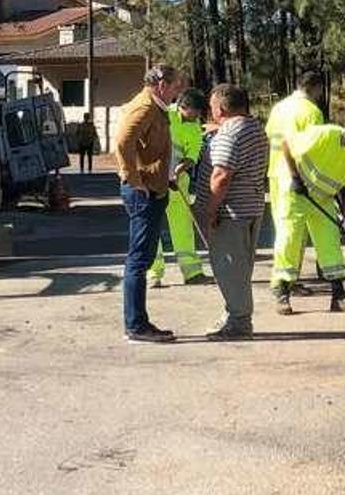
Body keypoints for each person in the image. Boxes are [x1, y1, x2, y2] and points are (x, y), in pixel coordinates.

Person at [271, 118, 345, 315]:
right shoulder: (325, 134)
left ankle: (338, 297)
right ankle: (282, 293)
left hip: (322, 197)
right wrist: (296, 178)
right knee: (289, 239)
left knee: (330, 241)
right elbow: (287, 144)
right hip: (295, 192)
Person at [115, 63, 185, 343]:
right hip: (143, 194)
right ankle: (136, 325)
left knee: (140, 258)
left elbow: (151, 148)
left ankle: (139, 323)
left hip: (154, 189)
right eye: (176, 86)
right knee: (139, 260)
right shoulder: (145, 107)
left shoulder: (156, 108)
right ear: (161, 85)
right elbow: (122, 142)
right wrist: (134, 179)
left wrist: (164, 176)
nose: (178, 91)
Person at [196, 84, 269, 340]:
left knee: (230, 268)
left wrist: (210, 210)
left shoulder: (230, 132)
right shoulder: (254, 128)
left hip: (231, 212)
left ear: (221, 108)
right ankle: (234, 314)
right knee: (240, 267)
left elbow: (221, 176)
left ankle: (239, 322)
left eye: (212, 107)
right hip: (250, 206)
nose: (210, 112)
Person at [264, 71, 324, 296]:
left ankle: (285, 279)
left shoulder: (279, 108)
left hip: (276, 173)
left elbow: (270, 136)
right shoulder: (311, 112)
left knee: (283, 229)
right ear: (315, 88)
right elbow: (312, 149)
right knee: (295, 232)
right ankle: (285, 281)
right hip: (297, 177)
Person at [147, 88, 212, 288]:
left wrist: (179, 169)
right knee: (152, 226)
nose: (197, 117)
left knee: (183, 227)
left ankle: (192, 271)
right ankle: (153, 273)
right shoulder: (162, 115)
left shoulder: (194, 128)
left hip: (177, 183)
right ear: (183, 106)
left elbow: (191, 157)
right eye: (195, 113)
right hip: (153, 180)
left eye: (200, 114)